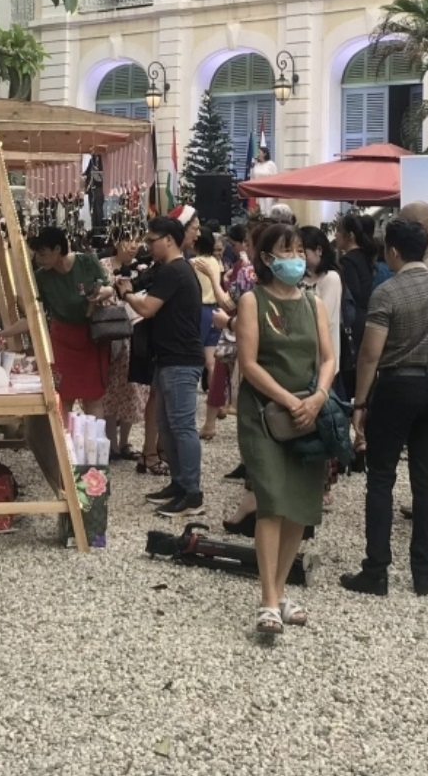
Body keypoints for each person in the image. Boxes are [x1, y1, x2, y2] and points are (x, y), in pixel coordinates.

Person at [340, 217, 428, 597]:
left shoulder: (386, 293)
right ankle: (423, 570)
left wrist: (359, 404)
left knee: (382, 477)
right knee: (424, 480)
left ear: (392, 251)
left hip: (396, 385)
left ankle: (377, 568)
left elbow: (370, 354)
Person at [234, 222, 337, 637]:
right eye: (286, 251)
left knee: (301, 504)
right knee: (272, 499)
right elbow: (250, 363)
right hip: (264, 413)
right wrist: (291, 400)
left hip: (309, 412)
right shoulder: (250, 300)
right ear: (266, 258)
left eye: (300, 250)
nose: (297, 258)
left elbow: (328, 359)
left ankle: (278, 593)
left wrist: (317, 398)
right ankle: (268, 600)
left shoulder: (314, 304)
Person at [117, 217, 206, 518]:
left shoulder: (175, 271)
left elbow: (146, 308)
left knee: (182, 427)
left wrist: (126, 292)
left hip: (181, 360)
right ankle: (179, 484)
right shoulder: (169, 270)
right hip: (167, 358)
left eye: (152, 239)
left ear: (168, 239)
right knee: (166, 426)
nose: (148, 245)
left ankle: (192, 493)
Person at [0, 227, 113, 415]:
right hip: (61, 340)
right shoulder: (40, 278)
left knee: (93, 397)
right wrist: (1, 334)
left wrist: (101, 293)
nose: (38, 259)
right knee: (63, 396)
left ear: (58, 249)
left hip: (91, 337)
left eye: (42, 254)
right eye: (36, 254)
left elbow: (109, 288)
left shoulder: (87, 261)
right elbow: (35, 316)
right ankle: (64, 442)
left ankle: (94, 443)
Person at [99, 237, 147, 462]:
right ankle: (111, 442)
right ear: (116, 242)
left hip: (136, 333)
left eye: (137, 241)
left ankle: (125, 441)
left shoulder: (142, 267)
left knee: (133, 388)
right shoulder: (103, 265)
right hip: (111, 334)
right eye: (128, 240)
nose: (133, 246)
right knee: (110, 387)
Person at [192, 230, 237, 438]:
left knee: (193, 358)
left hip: (199, 310)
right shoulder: (215, 263)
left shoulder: (194, 262)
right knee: (212, 361)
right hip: (216, 310)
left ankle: (192, 401)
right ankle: (216, 401)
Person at [332, 212, 378, 398]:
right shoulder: (366, 257)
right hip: (366, 316)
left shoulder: (348, 261)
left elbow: (352, 293)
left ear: (349, 235)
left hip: (354, 321)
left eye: (338, 231)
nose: (335, 235)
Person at [299, 225, 343, 342]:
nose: (299, 257)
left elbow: (326, 320)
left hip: (322, 349)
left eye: (302, 252)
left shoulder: (330, 278)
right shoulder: (300, 278)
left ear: (319, 250)